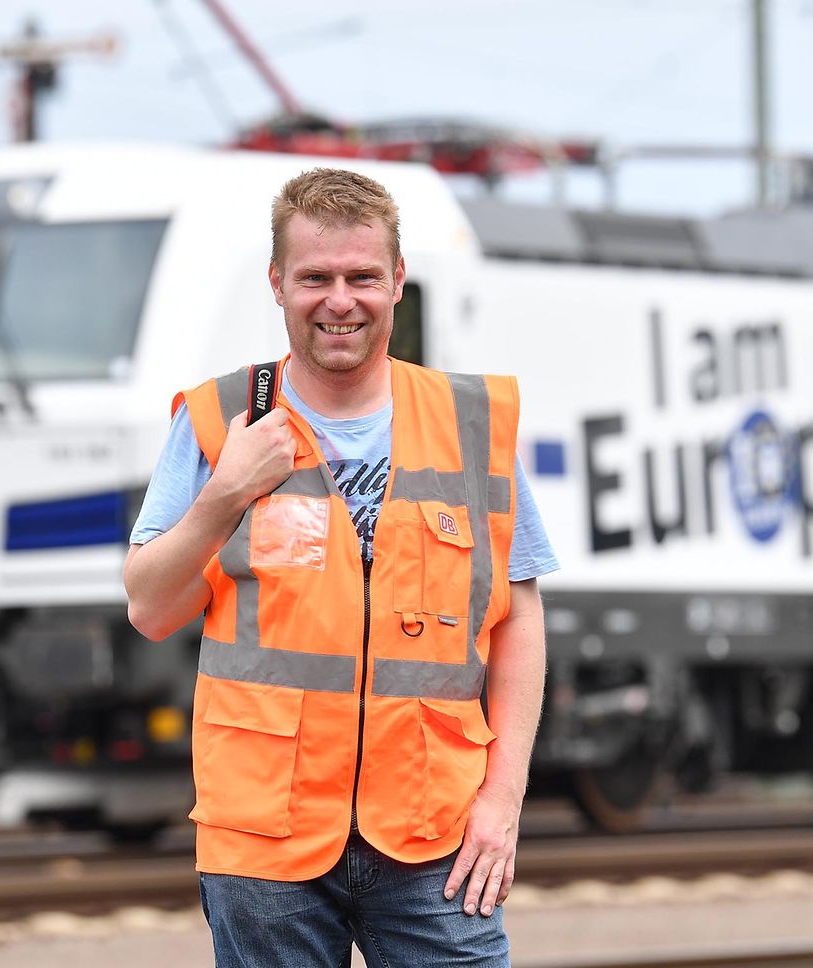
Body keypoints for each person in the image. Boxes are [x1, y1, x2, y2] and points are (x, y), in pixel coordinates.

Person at [124, 167, 557, 968]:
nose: (339, 299)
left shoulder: (470, 423)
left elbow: (518, 618)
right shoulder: (221, 419)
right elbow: (149, 608)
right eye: (314, 278)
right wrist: (225, 495)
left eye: (362, 276)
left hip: (437, 833)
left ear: (397, 282)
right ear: (277, 285)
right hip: (264, 838)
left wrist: (503, 799)